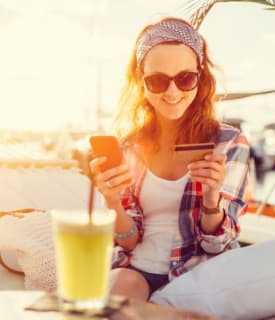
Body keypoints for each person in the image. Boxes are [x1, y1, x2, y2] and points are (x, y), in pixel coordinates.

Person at [89, 17, 250, 301]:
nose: (173, 92)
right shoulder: (130, 147)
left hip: (200, 273)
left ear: (201, 78)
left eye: (185, 78)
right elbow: (127, 243)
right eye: (158, 80)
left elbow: (217, 245)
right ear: (142, 82)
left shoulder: (228, 144)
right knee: (115, 298)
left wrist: (212, 199)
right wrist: (112, 202)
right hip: (134, 269)